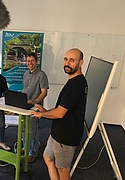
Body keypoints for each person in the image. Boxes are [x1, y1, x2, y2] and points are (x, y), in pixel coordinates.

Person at [31, 48, 88, 180]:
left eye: (72, 60)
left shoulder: (77, 84)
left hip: (66, 136)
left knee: (63, 170)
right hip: (58, 132)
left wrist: (43, 115)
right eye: (65, 59)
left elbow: (60, 113)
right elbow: (61, 108)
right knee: (47, 157)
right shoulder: (74, 81)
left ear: (80, 63)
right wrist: (46, 111)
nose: (67, 63)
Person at [22, 52, 49, 163]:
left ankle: (32, 152)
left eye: (32, 61)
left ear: (36, 62)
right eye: (28, 61)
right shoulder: (25, 74)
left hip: (35, 107)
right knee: (24, 128)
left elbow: (44, 92)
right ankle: (25, 147)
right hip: (24, 105)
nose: (30, 63)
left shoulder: (41, 75)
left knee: (32, 131)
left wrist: (35, 101)